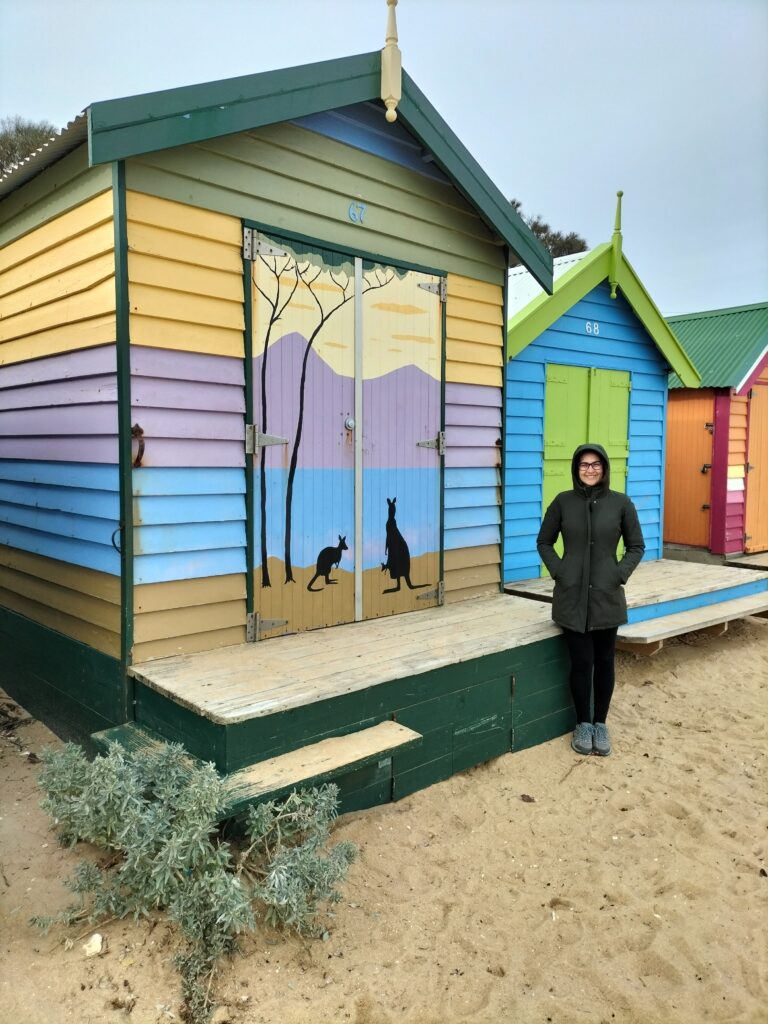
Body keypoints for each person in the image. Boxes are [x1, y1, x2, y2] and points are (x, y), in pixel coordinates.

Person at [536, 443, 645, 757]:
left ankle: (601, 723)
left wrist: (617, 574)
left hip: (607, 597)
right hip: (571, 598)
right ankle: (583, 723)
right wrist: (561, 571)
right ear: (576, 468)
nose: (590, 469)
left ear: (605, 468)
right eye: (584, 464)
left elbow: (636, 546)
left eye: (596, 464)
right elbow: (544, 541)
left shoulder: (621, 504)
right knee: (581, 663)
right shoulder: (562, 502)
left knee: (605, 661)